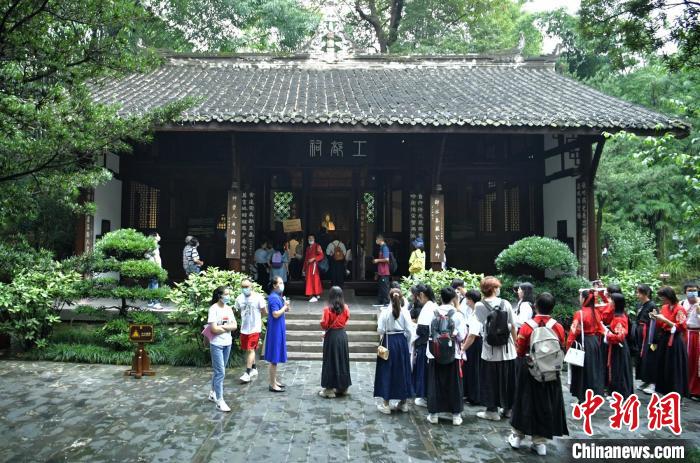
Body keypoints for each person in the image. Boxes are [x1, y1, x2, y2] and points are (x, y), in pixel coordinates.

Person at [508, 292, 568, 457]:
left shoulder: (527, 326)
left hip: (529, 369)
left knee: (524, 401)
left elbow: (520, 350)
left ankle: (517, 437)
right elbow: (562, 347)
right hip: (550, 372)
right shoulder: (558, 327)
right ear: (552, 308)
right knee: (545, 404)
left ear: (535, 305)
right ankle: (540, 442)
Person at [475, 276, 518, 421]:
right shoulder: (505, 303)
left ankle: (492, 411)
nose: (499, 289)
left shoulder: (479, 305)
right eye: (498, 287)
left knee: (490, 381)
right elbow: (513, 325)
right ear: (494, 289)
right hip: (507, 349)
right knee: (508, 380)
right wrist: (516, 343)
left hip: (490, 350)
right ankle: (508, 409)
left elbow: (483, 323)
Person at [426, 286, 467, 426]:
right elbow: (462, 335)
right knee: (454, 384)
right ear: (454, 298)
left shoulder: (432, 313)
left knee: (435, 384)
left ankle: (434, 415)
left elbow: (429, 332)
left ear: (440, 297)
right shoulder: (458, 315)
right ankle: (456, 416)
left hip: (434, 353)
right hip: (453, 353)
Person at [374, 288, 414, 414]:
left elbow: (380, 330)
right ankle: (403, 403)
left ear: (389, 297)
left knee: (386, 370)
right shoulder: (405, 312)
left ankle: (386, 404)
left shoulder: (385, 312)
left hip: (388, 341)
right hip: (401, 342)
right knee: (403, 370)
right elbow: (410, 331)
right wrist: (407, 344)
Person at [566, 289, 605, 403]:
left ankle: (582, 397)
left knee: (582, 371)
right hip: (594, 343)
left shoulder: (580, 313)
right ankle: (593, 394)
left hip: (583, 343)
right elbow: (601, 329)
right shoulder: (596, 312)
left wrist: (568, 346)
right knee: (593, 370)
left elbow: (573, 331)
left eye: (580, 296)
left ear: (584, 299)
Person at [650, 286, 688, 396]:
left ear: (669, 296)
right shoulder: (664, 307)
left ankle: (677, 392)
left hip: (675, 339)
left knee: (675, 366)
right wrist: (655, 318)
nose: (662, 299)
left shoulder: (679, 309)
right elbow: (661, 324)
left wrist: (665, 320)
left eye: (663, 297)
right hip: (664, 338)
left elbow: (681, 326)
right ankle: (665, 391)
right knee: (664, 365)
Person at [206, 286, 237, 412]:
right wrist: (227, 327)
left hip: (227, 343)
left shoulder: (229, 309)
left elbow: (235, 326)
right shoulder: (213, 309)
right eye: (226, 294)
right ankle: (220, 401)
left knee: (219, 371)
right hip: (216, 344)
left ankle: (212, 393)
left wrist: (222, 328)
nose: (228, 296)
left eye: (229, 294)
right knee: (220, 372)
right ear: (220, 296)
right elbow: (213, 329)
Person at [319, 286, 352, 398]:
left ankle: (329, 389)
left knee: (330, 361)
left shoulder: (327, 309)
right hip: (342, 336)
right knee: (342, 360)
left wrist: (323, 324)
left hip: (332, 337)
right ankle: (343, 387)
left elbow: (324, 324)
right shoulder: (346, 308)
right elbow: (346, 319)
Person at [235, 278, 267, 383]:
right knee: (248, 349)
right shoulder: (239, 298)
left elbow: (264, 312)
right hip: (244, 328)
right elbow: (237, 311)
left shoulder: (258, 297)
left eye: (247, 286)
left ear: (251, 286)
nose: (245, 289)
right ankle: (254, 368)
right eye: (243, 287)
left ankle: (247, 373)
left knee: (251, 349)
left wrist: (258, 320)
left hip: (255, 328)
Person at [412, 284, 438, 407]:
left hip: (425, 344)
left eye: (417, 297)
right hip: (433, 343)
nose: (417, 299)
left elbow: (422, 330)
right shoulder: (434, 306)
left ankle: (422, 395)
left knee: (423, 370)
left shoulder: (427, 308)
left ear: (421, 295)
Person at [605, 293, 634, 398]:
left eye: (612, 300)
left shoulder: (619, 318)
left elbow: (619, 336)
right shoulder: (620, 315)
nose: (610, 302)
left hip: (618, 347)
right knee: (617, 369)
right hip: (618, 346)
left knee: (619, 370)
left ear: (616, 303)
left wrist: (607, 334)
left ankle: (619, 393)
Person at [264, 276, 289, 392]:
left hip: (278, 328)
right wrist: (285, 306)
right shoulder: (273, 298)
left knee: (276, 357)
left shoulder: (278, 296)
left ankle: (274, 380)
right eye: (280, 283)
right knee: (274, 358)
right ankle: (272, 384)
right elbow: (275, 314)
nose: (282, 285)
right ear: (274, 285)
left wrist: (286, 306)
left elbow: (283, 310)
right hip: (275, 330)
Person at [635, 284, 659, 394]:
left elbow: (655, 323)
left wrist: (653, 339)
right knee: (641, 357)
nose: (637, 295)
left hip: (649, 335)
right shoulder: (640, 305)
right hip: (641, 334)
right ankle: (645, 380)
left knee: (650, 356)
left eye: (639, 293)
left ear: (646, 293)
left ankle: (653, 382)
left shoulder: (652, 306)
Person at [461, 289, 483, 406]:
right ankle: (472, 395)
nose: (466, 301)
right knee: (472, 369)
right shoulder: (474, 311)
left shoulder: (477, 314)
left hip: (475, 344)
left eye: (467, 299)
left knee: (474, 370)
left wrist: (463, 348)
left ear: (471, 300)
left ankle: (475, 397)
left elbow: (472, 335)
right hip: (474, 343)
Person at [681, 281, 700, 398]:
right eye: (689, 290)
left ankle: (696, 390)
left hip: (697, 335)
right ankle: (684, 387)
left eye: (694, 290)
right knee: (684, 360)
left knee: (696, 363)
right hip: (684, 334)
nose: (692, 293)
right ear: (685, 292)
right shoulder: (682, 303)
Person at [303, 234, 324, 302]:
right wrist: (304, 268)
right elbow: (306, 258)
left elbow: (321, 255)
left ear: (314, 239)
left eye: (312, 238)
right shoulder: (308, 248)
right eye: (309, 238)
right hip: (308, 266)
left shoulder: (317, 246)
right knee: (309, 281)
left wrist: (314, 258)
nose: (310, 239)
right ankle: (313, 294)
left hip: (314, 266)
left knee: (315, 280)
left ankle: (314, 295)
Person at [372, 234, 391, 307]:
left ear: (380, 240)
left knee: (385, 288)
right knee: (380, 287)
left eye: (376, 239)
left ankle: (386, 302)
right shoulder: (381, 247)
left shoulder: (385, 247)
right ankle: (380, 301)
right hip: (381, 271)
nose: (376, 241)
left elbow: (387, 259)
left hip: (384, 271)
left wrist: (377, 260)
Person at [146, 232, 163, 309]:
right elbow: (157, 258)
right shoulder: (154, 245)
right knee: (155, 284)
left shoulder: (147, 244)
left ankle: (150, 302)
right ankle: (156, 303)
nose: (159, 236)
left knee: (150, 284)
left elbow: (145, 255)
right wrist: (159, 268)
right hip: (155, 267)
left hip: (149, 266)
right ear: (155, 237)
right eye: (158, 235)